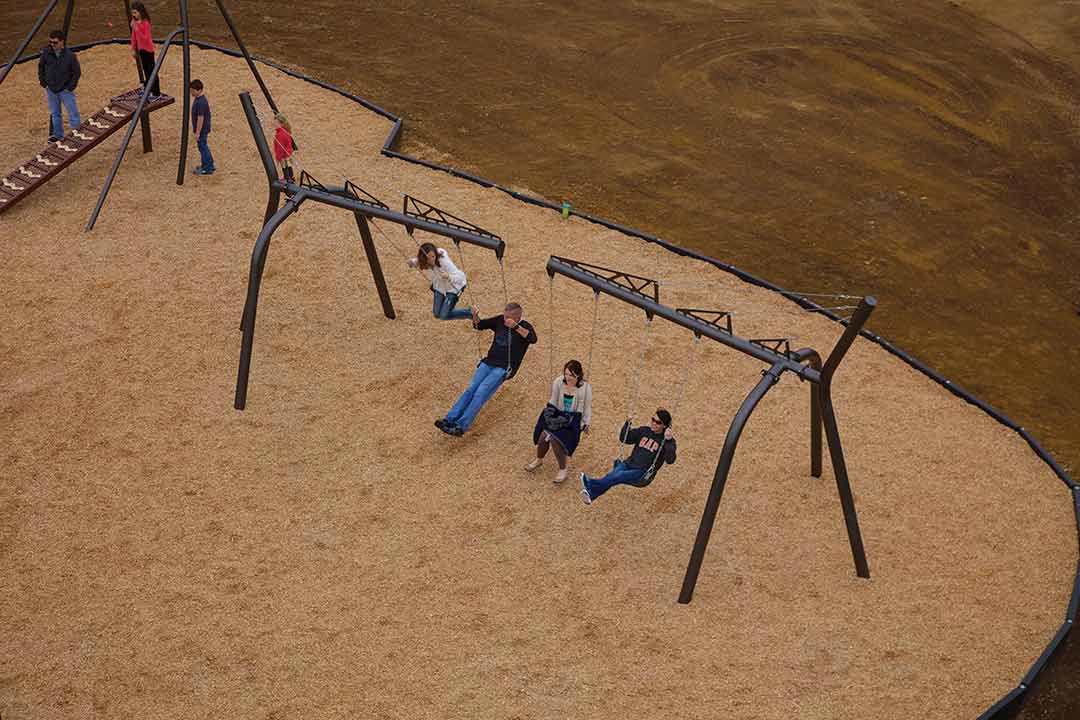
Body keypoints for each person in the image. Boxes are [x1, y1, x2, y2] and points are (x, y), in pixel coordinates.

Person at [436, 303, 538, 436]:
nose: (505, 319)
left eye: (509, 317)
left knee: (481, 393)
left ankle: (461, 426)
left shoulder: (525, 326)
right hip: (488, 362)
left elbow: (533, 339)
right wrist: (475, 316)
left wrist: (516, 327)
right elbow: (479, 325)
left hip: (503, 368)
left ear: (518, 317)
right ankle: (449, 419)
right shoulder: (500, 320)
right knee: (470, 390)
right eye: (505, 315)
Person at [579, 409, 677, 505]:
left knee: (618, 476)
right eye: (653, 419)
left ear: (664, 425)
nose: (654, 423)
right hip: (628, 463)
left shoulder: (667, 441)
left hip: (642, 473)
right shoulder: (644, 431)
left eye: (658, 422)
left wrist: (668, 440)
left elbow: (670, 460)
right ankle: (592, 496)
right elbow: (624, 438)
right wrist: (627, 423)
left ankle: (590, 483)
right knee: (611, 476)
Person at [526, 359, 593, 483]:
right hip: (558, 415)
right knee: (542, 436)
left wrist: (585, 423)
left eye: (571, 375)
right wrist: (549, 414)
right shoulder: (558, 381)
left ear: (578, 375)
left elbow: (586, 408)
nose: (568, 377)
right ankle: (539, 459)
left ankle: (563, 469)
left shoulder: (585, 388)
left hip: (572, 420)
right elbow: (553, 400)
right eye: (566, 374)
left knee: (556, 440)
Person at [406, 243, 471, 320]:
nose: (431, 260)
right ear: (424, 258)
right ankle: (448, 309)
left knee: (444, 316)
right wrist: (412, 262)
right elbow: (417, 260)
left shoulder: (444, 262)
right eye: (428, 258)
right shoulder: (424, 261)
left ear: (435, 254)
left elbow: (461, 276)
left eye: (433, 256)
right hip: (439, 287)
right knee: (436, 314)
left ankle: (469, 313)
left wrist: (449, 276)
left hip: (453, 288)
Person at [38, 30, 81, 142]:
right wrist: (44, 83)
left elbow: (76, 73)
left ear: (62, 42)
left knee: (73, 114)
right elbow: (41, 67)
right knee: (55, 114)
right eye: (50, 42)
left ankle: (76, 137)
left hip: (65, 90)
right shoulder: (46, 53)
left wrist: (69, 87)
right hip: (51, 89)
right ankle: (57, 135)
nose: (52, 45)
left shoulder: (70, 56)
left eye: (55, 42)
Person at [130, 3, 162, 100]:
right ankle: (148, 89)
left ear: (141, 12)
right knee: (146, 71)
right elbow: (134, 37)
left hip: (148, 50)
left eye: (135, 13)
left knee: (152, 71)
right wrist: (132, 48)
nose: (134, 15)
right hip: (141, 50)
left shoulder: (145, 23)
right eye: (133, 13)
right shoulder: (135, 22)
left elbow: (146, 38)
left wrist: (137, 29)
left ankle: (156, 93)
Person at [190, 80, 214, 175]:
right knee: (203, 146)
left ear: (199, 90)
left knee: (203, 147)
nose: (191, 92)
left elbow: (200, 118)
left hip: (202, 130)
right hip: (203, 129)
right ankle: (209, 165)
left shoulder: (201, 103)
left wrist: (197, 132)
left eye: (193, 90)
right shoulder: (199, 99)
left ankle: (207, 168)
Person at [273, 114, 296, 183]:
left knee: (284, 166)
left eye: (276, 123)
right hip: (288, 153)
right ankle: (291, 177)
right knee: (288, 166)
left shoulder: (280, 134)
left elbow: (280, 147)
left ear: (281, 124)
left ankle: (287, 178)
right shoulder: (285, 131)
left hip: (284, 155)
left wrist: (278, 157)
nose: (274, 124)